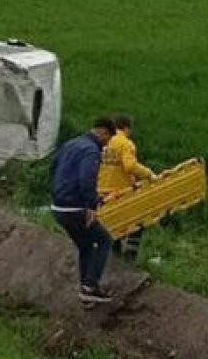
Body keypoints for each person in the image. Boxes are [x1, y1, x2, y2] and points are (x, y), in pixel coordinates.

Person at [51, 117, 117, 305]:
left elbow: (54, 168)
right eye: (108, 139)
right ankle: (90, 286)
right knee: (104, 240)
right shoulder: (91, 150)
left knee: (86, 245)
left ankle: (86, 291)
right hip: (75, 208)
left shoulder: (71, 144)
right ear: (103, 132)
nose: (106, 145)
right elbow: (86, 179)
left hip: (58, 206)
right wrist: (91, 205)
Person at [97, 114, 158, 258]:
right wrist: (149, 174)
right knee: (137, 223)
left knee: (112, 225)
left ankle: (114, 255)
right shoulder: (125, 143)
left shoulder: (104, 142)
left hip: (100, 190)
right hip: (119, 193)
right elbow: (130, 166)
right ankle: (129, 259)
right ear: (126, 128)